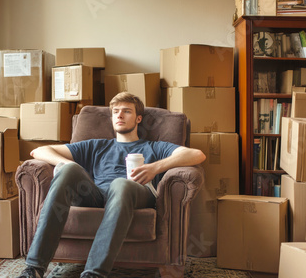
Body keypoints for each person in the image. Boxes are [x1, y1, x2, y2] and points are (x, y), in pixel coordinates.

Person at [18, 93, 205, 278]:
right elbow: (39, 151)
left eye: (126, 111)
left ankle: (93, 274)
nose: (120, 115)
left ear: (139, 118)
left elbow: (197, 155)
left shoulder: (154, 147)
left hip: (136, 192)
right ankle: (34, 269)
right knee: (68, 170)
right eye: (115, 112)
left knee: (120, 184)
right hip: (97, 195)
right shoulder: (96, 146)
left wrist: (156, 168)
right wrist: (69, 164)